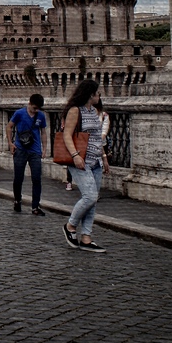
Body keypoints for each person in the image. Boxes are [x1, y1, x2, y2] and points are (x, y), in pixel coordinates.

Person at [61, 80, 109, 252]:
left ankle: (86, 238)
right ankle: (70, 226)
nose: (99, 96)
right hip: (80, 161)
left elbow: (96, 137)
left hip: (95, 161)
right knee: (89, 196)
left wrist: (104, 157)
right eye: (98, 93)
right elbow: (67, 135)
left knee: (93, 200)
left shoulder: (95, 111)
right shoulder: (75, 111)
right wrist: (75, 156)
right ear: (90, 94)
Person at [6, 93, 47, 215]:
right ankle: (17, 200)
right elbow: (9, 127)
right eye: (34, 108)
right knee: (18, 177)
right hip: (20, 149)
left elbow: (43, 132)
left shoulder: (41, 115)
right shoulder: (19, 113)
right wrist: (10, 143)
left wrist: (44, 148)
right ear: (29, 104)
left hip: (35, 150)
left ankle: (35, 206)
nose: (36, 111)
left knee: (36, 178)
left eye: (38, 108)